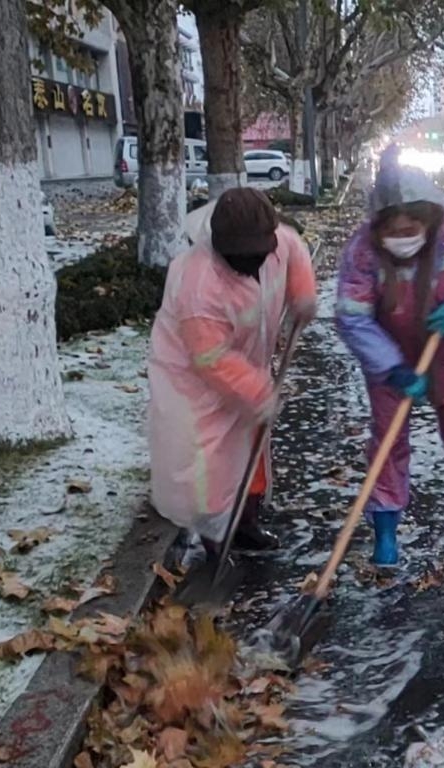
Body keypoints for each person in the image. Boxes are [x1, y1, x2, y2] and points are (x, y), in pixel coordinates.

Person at [335, 157, 444, 567]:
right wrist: (390, 366)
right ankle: (386, 526)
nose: (403, 238)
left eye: (411, 230)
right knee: (389, 439)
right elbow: (352, 316)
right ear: (378, 228)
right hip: (387, 350)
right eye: (393, 232)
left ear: (429, 220)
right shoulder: (362, 252)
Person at [148, 188, 317, 562]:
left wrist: (302, 295)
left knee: (252, 446)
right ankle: (215, 538)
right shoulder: (198, 281)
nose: (252, 263)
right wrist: (259, 393)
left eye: (258, 253)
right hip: (192, 378)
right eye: (241, 257)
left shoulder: (276, 244)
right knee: (209, 461)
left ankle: (246, 524)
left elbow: (295, 251)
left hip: (247, 363)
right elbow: (210, 358)